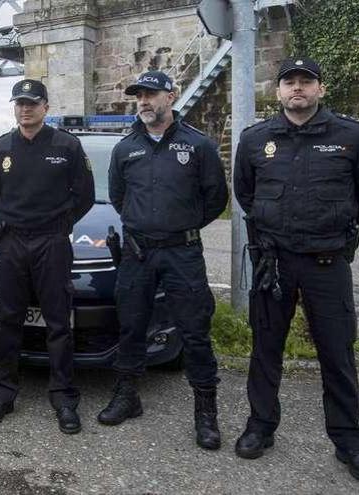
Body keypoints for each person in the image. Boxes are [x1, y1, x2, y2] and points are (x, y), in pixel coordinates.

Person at [233, 57, 359, 484]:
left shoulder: (352, 135)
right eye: (289, 82)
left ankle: (350, 442)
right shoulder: (256, 139)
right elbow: (244, 193)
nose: (298, 89)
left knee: (338, 354)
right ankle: (260, 426)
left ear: (321, 88)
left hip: (326, 263)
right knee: (265, 349)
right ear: (277, 91)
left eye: (306, 82)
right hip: (273, 262)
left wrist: (330, 225)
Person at [100, 70, 228, 449]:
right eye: (139, 95)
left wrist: (178, 228)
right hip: (138, 253)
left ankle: (206, 413)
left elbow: (215, 199)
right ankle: (127, 396)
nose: (143, 101)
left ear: (170, 97)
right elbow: (119, 197)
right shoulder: (125, 149)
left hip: (182, 252)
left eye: (151, 94)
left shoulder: (198, 145)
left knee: (194, 331)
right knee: (131, 325)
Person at [0, 79, 95, 434]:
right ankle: (2, 393)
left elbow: (85, 196)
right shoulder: (0, 148)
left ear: (45, 107)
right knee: (8, 320)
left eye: (32, 103)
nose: (25, 109)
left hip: (52, 243)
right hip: (12, 244)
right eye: (20, 103)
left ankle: (63, 397)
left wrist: (58, 225)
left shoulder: (67, 146)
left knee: (59, 323)